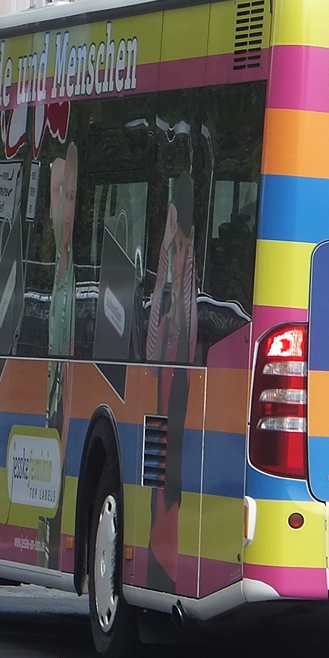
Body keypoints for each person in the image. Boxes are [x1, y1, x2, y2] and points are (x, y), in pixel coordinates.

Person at [145, 171, 197, 592]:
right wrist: (165, 259)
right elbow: (151, 344)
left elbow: (186, 328)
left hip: (181, 383)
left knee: (170, 476)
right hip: (167, 381)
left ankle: (167, 559)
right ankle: (159, 558)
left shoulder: (192, 266)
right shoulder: (170, 260)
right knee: (160, 473)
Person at [40, 143, 78, 570]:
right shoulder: (53, 268)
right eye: (56, 193)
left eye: (69, 195)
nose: (62, 206)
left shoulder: (75, 277)